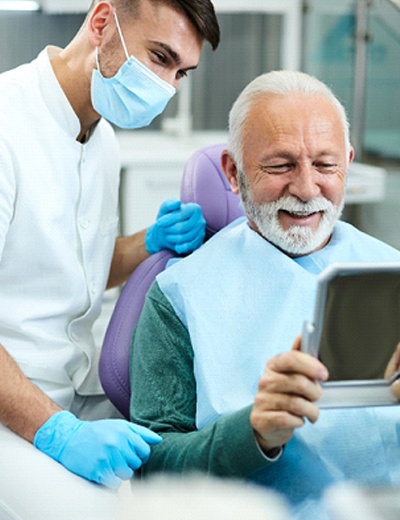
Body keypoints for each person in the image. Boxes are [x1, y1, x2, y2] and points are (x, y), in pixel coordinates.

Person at [130, 70, 400, 518]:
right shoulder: (179, 296)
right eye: (280, 166)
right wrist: (252, 433)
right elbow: (151, 472)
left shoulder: (389, 272)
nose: (307, 189)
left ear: (348, 163)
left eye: (326, 165)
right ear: (233, 172)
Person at [0, 0, 220, 498]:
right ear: (102, 23)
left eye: (182, 72)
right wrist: (58, 432)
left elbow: (64, 267)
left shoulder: (101, 139)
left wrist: (148, 244)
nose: (167, 87)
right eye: (160, 58)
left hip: (72, 390)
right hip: (14, 407)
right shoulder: (6, 126)